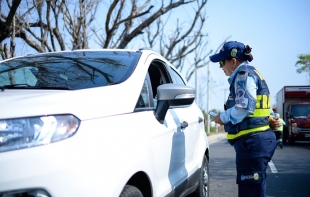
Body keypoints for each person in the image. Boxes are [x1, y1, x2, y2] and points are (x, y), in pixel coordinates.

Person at [209, 41, 281, 197]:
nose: (221, 67)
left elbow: (244, 107)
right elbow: (257, 107)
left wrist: (222, 117)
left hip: (252, 143)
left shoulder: (243, 75)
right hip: (255, 141)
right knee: (255, 191)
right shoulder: (251, 73)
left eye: (222, 62)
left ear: (233, 61)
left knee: (250, 192)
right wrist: (267, 119)